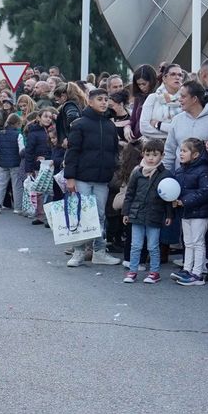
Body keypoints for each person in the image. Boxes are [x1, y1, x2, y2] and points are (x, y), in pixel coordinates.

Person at [63, 88, 121, 268]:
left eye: (106, 99)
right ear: (90, 101)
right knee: (81, 214)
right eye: (99, 99)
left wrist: (113, 169)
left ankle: (99, 252)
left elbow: (114, 151)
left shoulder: (110, 125)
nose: (104, 102)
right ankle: (79, 252)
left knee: (100, 216)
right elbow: (72, 152)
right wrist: (70, 177)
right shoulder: (80, 124)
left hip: (102, 179)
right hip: (82, 178)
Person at [121, 139, 175, 285]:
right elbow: (130, 194)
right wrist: (126, 212)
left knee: (153, 246)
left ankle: (154, 272)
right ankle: (132, 271)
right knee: (135, 245)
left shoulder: (165, 174)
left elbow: (168, 197)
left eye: (155, 155)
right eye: (148, 154)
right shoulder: (137, 172)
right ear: (143, 154)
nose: (151, 158)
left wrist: (169, 214)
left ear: (162, 156)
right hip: (137, 213)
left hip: (155, 214)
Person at [172, 138, 208, 287]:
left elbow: (205, 191)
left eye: (184, 151)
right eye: (180, 150)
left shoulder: (203, 170)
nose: (181, 154)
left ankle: (197, 274)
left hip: (200, 212)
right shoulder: (180, 170)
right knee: (188, 242)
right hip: (186, 211)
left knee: (198, 242)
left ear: (195, 154)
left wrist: (184, 201)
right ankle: (187, 269)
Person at [0, 112, 25, 215]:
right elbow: (21, 151)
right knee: (16, 185)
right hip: (15, 163)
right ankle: (17, 207)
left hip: (3, 162)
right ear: (17, 123)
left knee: (2, 184)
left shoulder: (0, 134)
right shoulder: (18, 135)